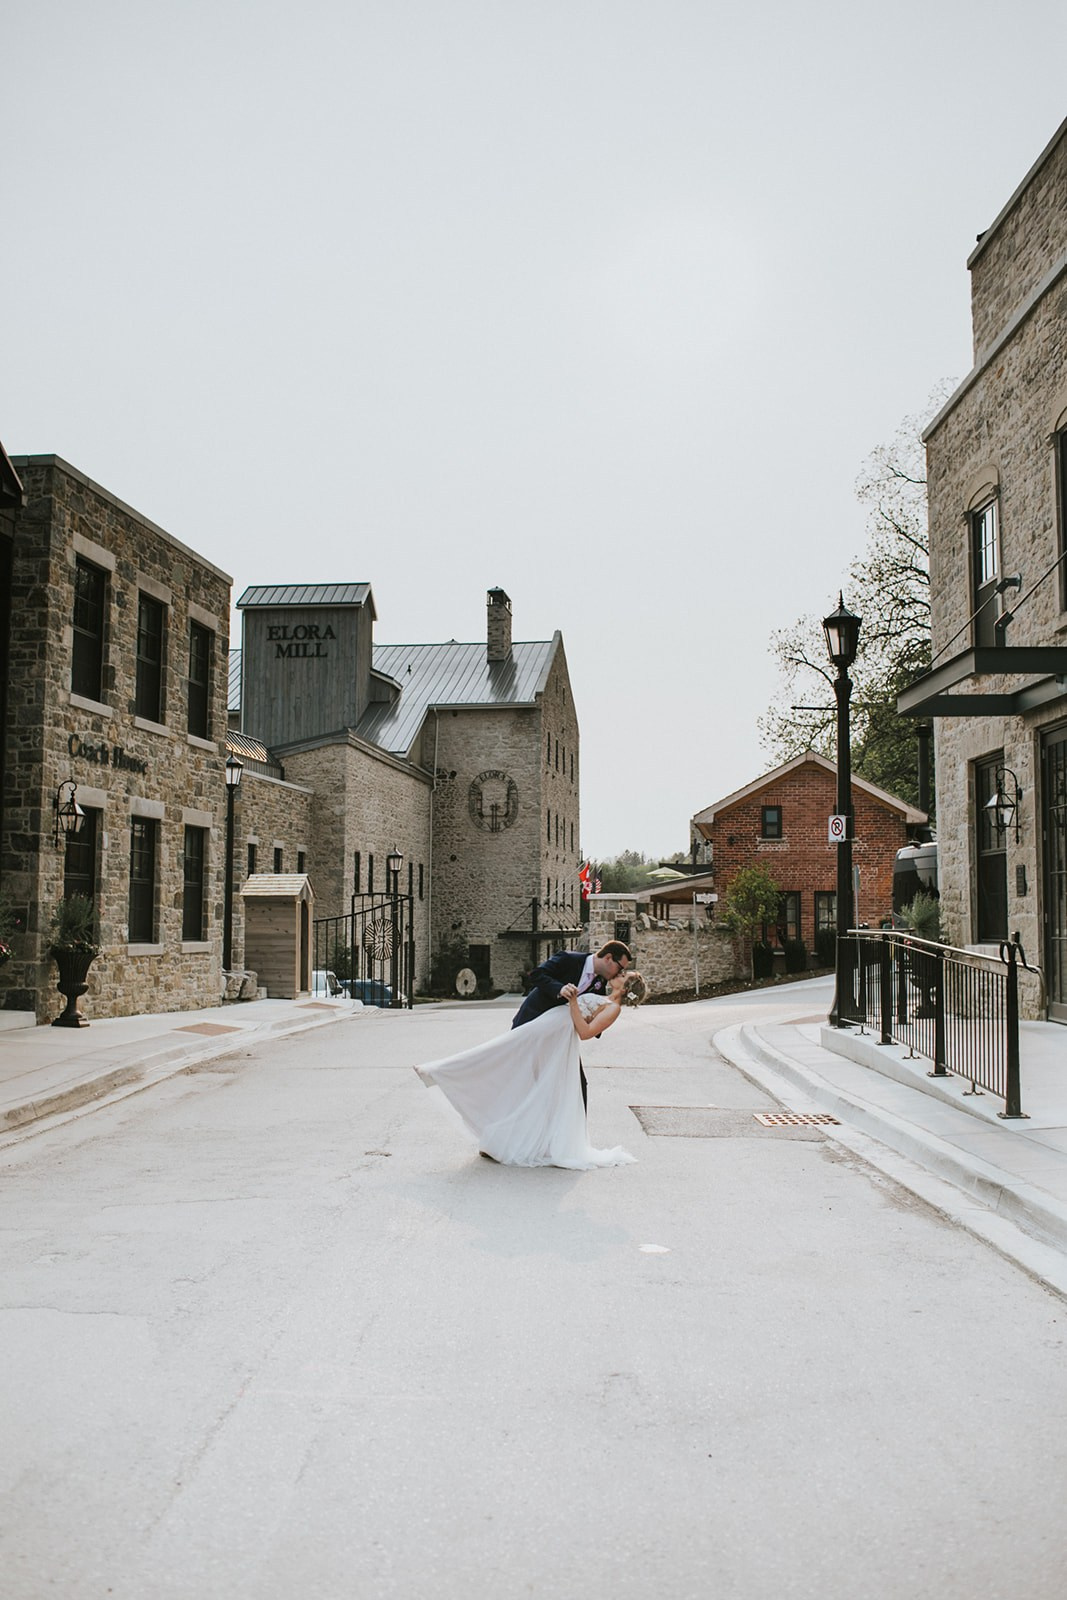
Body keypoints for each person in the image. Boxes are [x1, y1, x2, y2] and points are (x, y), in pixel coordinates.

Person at [416, 968, 648, 1169]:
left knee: (501, 1051)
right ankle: (442, 1072)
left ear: (627, 987)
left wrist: (574, 1002)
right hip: (547, 1026)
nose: (619, 973)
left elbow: (586, 1033)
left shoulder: (614, 1008)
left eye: (624, 974)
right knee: (505, 1054)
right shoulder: (604, 997)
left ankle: (439, 1071)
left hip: (553, 1034)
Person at [512, 940, 633, 1112]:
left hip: (561, 1035)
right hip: (534, 1020)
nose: (620, 973)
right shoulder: (569, 959)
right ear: (608, 958)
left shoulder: (600, 982)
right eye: (620, 968)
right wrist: (560, 989)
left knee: (578, 1083)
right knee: (524, 1078)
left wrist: (599, 1019)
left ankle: (574, 1132)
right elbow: (537, 974)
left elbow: (591, 1021)